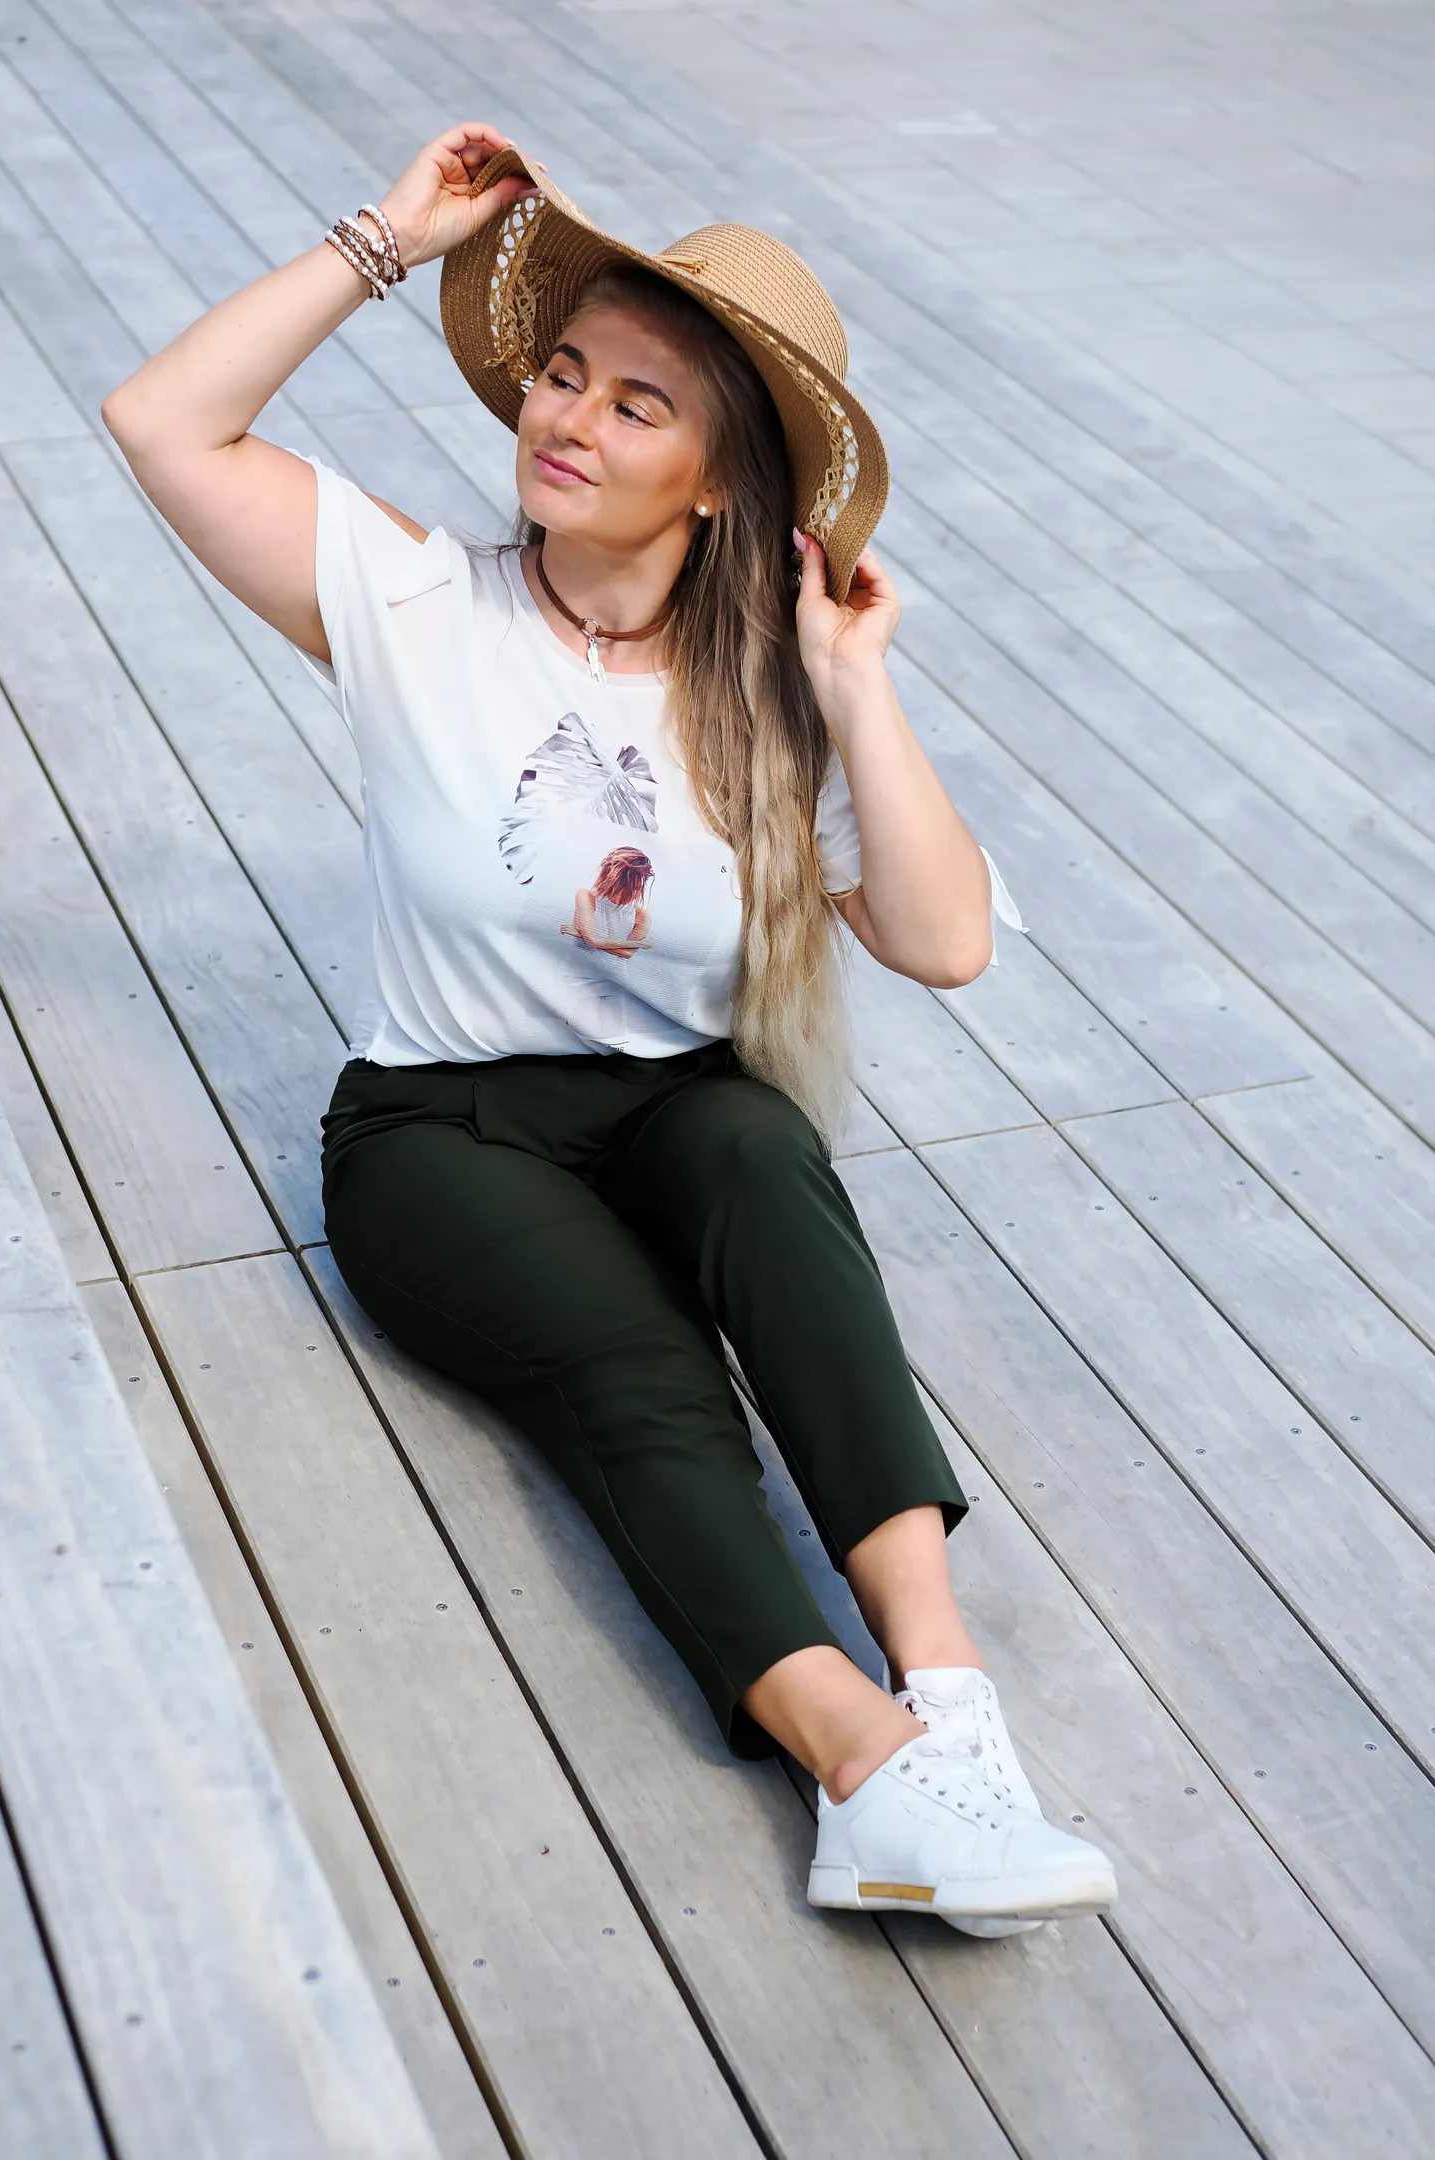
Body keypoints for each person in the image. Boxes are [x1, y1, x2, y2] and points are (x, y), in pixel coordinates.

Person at [103, 123, 1117, 1935]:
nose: (568, 419)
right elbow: (164, 423)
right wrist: (390, 239)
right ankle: (866, 1776)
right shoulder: (425, 610)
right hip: (438, 1136)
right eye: (563, 375)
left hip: (671, 1123)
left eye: (640, 405)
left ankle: (947, 1694)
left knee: (760, 1150)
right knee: (645, 1370)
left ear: (725, 479)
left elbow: (947, 944)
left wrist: (856, 687)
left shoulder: (770, 701)